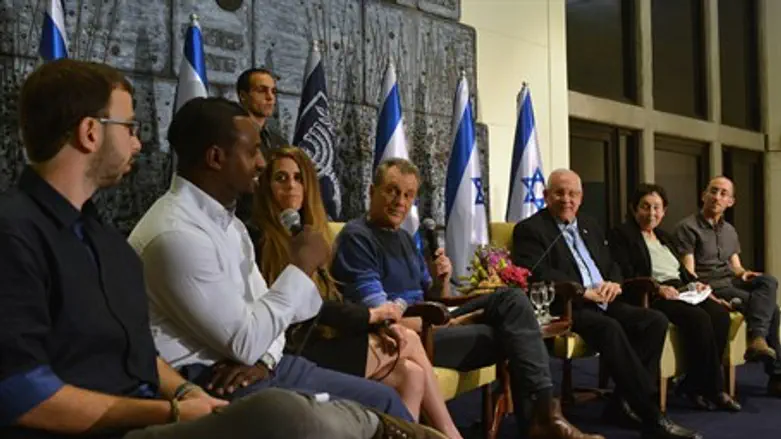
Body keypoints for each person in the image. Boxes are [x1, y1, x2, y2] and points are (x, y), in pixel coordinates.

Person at [0, 58, 436, 439]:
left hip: (186, 395)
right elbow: (21, 394)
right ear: (90, 132)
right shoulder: (19, 234)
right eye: (130, 128)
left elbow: (141, 354)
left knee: (379, 408)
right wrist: (176, 405)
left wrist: (187, 393)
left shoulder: (103, 241)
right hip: (134, 418)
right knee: (292, 416)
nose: (138, 142)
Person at [127, 97, 446, 439]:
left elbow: (290, 314)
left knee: (383, 399)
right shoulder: (176, 234)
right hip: (208, 379)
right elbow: (246, 339)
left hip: (263, 365)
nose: (261, 162)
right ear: (216, 158)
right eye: (252, 152)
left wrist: (264, 360)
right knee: (339, 420)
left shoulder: (229, 225)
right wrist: (299, 267)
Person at [331, 158, 604, 439]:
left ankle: (544, 418)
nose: (400, 201)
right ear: (371, 190)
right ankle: (544, 420)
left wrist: (441, 281)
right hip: (408, 338)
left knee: (510, 299)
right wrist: (450, 322)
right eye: (392, 190)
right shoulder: (357, 237)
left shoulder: (403, 238)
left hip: (435, 321)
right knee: (519, 335)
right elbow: (381, 313)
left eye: (408, 195)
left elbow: (436, 298)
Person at [253, 147, 463, 438]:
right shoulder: (262, 238)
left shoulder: (313, 233)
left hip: (331, 335)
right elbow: (307, 308)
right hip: (298, 348)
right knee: (409, 338)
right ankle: (449, 434)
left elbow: (330, 298)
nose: (291, 186)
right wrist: (372, 316)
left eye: (298, 178)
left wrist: (378, 320)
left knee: (412, 375)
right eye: (281, 178)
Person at [512, 169, 700, 439]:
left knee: (653, 321)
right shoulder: (530, 229)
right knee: (610, 328)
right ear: (545, 196)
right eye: (559, 193)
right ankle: (652, 414)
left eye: (573, 193)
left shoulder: (590, 224)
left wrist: (614, 282)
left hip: (606, 299)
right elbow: (537, 273)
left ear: (581, 197)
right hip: (569, 306)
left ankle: (621, 403)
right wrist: (582, 292)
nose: (567, 199)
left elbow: (611, 263)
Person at [609, 184, 740, 411]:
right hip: (652, 294)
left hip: (681, 290)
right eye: (645, 207)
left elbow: (681, 270)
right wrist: (658, 288)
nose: (651, 213)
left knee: (719, 315)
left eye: (657, 208)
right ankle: (712, 388)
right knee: (699, 319)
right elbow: (626, 273)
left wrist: (695, 283)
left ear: (664, 211)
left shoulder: (663, 236)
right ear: (634, 209)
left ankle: (694, 384)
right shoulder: (622, 235)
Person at [673, 176, 781, 396]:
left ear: (731, 202)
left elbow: (737, 268)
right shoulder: (688, 227)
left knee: (768, 281)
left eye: (723, 194)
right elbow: (689, 272)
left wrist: (745, 274)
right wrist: (703, 291)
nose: (717, 197)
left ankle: (759, 340)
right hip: (711, 285)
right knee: (773, 310)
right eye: (713, 191)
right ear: (703, 195)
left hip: (730, 281)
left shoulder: (729, 230)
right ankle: (776, 373)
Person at [235, 67, 288, 226]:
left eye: (273, 91)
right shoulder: (231, 138)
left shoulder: (279, 142)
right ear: (243, 96)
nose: (270, 97)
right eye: (262, 90)